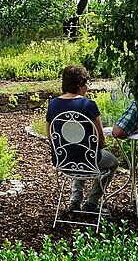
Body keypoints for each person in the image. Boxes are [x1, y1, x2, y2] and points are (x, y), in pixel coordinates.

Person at [46, 65, 117, 213]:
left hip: (63, 161)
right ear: (80, 85)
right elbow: (100, 140)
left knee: (79, 152)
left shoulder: (53, 105)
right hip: (87, 161)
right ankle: (91, 203)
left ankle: (75, 199)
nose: (87, 87)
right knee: (112, 162)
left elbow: (50, 136)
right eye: (86, 84)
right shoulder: (88, 105)